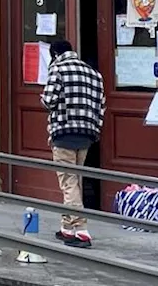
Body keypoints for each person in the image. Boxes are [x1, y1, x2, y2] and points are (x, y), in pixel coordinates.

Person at [40, 40, 105, 249]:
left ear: (56, 53)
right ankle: (66, 227)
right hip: (86, 134)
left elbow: (49, 101)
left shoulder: (57, 69)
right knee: (75, 178)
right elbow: (101, 105)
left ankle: (82, 230)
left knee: (68, 181)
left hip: (64, 132)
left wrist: (44, 99)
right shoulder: (94, 74)